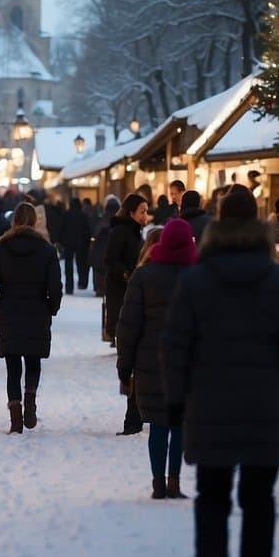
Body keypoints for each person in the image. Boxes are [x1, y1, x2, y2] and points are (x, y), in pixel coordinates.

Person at [161, 184, 279, 557]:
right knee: (258, 497)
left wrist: (176, 397)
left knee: (212, 492)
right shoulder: (278, 281)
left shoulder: (196, 281)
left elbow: (175, 344)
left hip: (208, 402)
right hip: (264, 403)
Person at [117, 218, 194, 500]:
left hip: (151, 362)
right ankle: (174, 480)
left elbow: (128, 326)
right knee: (178, 423)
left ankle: (158, 482)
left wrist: (124, 366)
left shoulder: (143, 275)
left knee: (158, 426)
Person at [0, 202, 63, 433]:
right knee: (33, 360)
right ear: (34, 221)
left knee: (12, 366)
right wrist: (52, 307)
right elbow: (55, 286)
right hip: (37, 309)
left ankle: (15, 416)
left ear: (14, 220)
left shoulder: (1, 248)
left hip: (8, 310)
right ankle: (30, 398)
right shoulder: (47, 250)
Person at [106, 193, 149, 435]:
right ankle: (132, 416)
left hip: (130, 295)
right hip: (122, 297)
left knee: (132, 359)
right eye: (142, 211)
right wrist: (127, 275)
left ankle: (135, 415)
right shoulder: (122, 232)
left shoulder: (133, 231)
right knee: (130, 358)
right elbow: (110, 260)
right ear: (131, 212)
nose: (145, 216)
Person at [59, 196, 93, 295]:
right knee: (80, 263)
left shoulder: (66, 214)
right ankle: (82, 283)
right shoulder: (83, 215)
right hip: (81, 243)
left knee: (68, 265)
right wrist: (87, 242)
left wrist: (61, 241)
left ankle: (69, 287)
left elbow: (61, 229)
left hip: (68, 243)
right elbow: (87, 230)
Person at [90, 195, 121, 297]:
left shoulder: (102, 220)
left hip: (100, 252)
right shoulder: (121, 221)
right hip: (115, 253)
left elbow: (95, 234)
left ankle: (100, 289)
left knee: (100, 271)